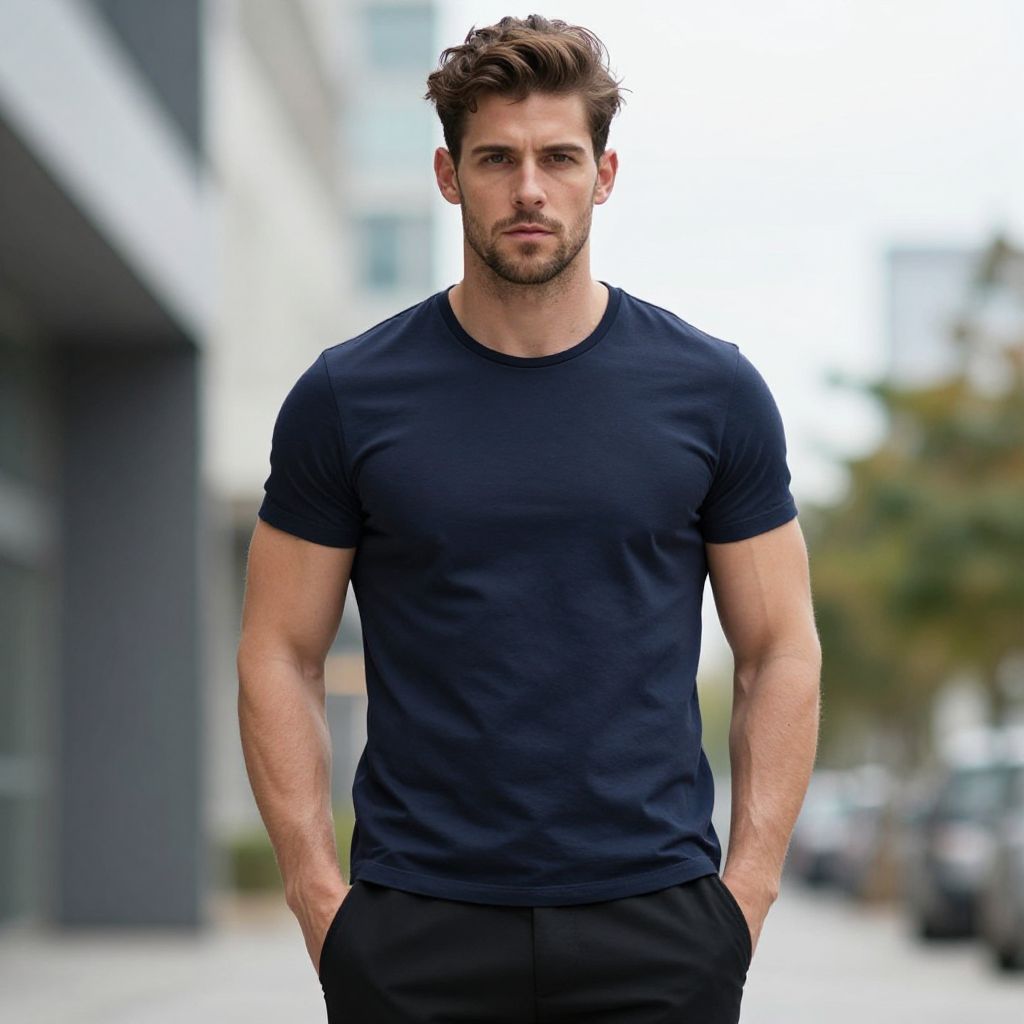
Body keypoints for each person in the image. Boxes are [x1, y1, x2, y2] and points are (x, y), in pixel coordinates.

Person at [237, 14, 822, 1023]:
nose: (528, 189)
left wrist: (746, 895)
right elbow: (277, 651)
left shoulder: (711, 391)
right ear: (446, 173)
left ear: (604, 173)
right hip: (415, 925)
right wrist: (317, 897)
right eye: (496, 158)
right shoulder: (347, 396)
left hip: (655, 923)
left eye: (558, 157)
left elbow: (778, 648)